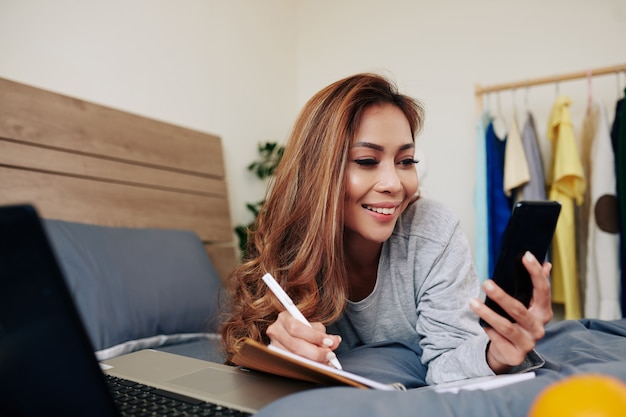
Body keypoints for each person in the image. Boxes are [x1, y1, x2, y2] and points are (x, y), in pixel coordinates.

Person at [220, 73, 553, 386]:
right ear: (316, 172)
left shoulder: (433, 231)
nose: (394, 184)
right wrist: (279, 357)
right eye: (367, 161)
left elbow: (449, 357)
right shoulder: (289, 241)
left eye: (406, 161)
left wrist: (496, 355)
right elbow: (244, 359)